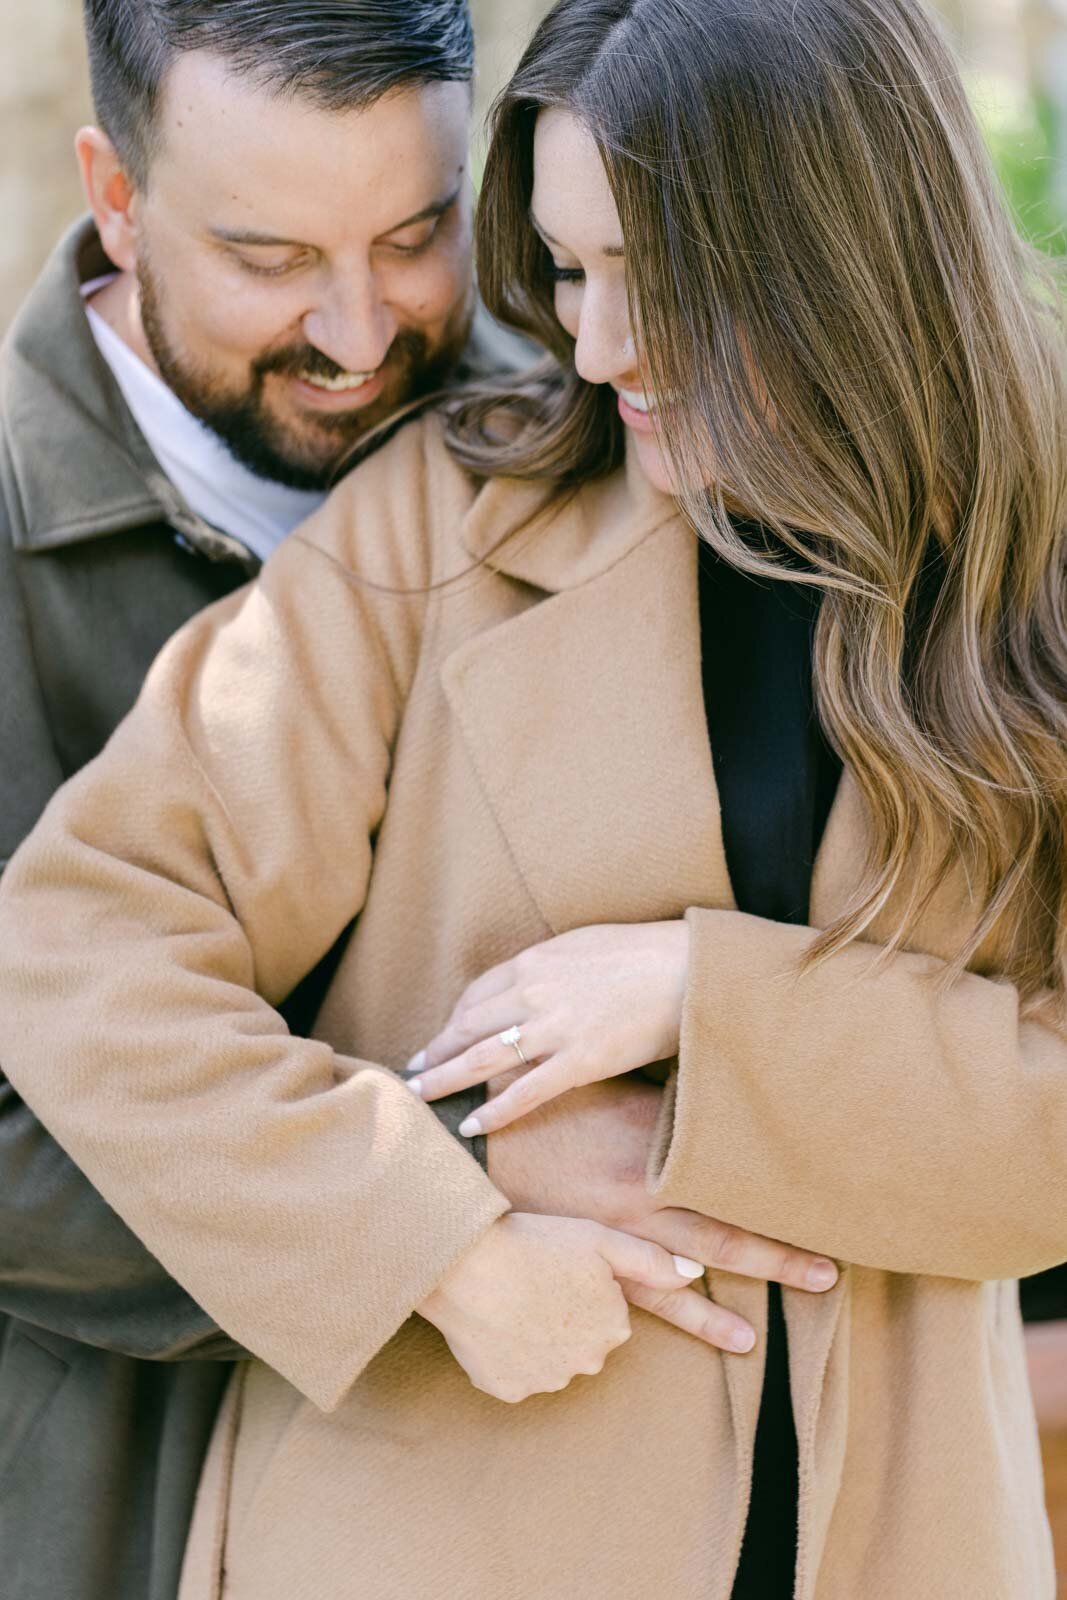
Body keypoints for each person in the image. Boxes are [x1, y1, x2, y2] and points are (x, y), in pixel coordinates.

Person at [1, 0, 1064, 1595]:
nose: (594, 347)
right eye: (568, 274)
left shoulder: (1025, 580)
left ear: (839, 250)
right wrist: (434, 1227)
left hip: (906, 1533)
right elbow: (82, 948)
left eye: (659, 280)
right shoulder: (445, 509)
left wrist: (709, 999)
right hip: (438, 1521)